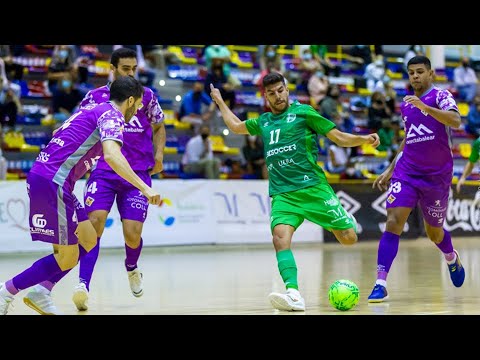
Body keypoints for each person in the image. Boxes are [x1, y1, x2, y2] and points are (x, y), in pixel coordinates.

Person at [209, 72, 380, 312]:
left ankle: (340, 219)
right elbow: (236, 127)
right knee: (280, 239)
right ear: (265, 96)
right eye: (271, 93)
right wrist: (219, 101)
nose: (277, 96)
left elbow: (338, 137)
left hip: (313, 189)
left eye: (280, 90)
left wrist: (363, 139)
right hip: (283, 194)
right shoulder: (264, 121)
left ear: (287, 90)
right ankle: (294, 293)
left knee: (349, 239)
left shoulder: (304, 113)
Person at [0, 76, 162, 315]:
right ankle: (6, 291)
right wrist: (145, 187)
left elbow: (59, 130)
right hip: (53, 182)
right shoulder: (113, 116)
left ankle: (41, 293)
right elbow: (112, 156)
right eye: (137, 105)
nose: (138, 110)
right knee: (66, 258)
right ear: (130, 100)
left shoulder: (93, 109)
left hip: (53, 179)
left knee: (88, 239)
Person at [367, 55, 465, 303]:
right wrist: (391, 168)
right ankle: (380, 283)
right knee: (393, 221)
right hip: (408, 172)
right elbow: (409, 137)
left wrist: (426, 108)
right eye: (411, 73)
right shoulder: (406, 104)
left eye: (420, 72)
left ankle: (451, 257)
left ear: (431, 73)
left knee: (435, 233)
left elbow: (455, 120)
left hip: (437, 176)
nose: (415, 76)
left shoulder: (441, 96)